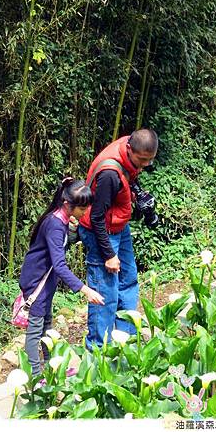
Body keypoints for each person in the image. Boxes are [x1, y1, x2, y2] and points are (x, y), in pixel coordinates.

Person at [78, 128, 158, 349]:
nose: (143, 166)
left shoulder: (129, 151)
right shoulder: (110, 174)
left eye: (148, 162)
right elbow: (96, 218)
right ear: (130, 149)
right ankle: (98, 350)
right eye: (141, 161)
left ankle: (126, 340)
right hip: (101, 232)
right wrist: (109, 255)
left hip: (118, 226)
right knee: (105, 291)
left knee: (128, 279)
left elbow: (128, 179)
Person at [19, 177, 105, 376]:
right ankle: (35, 377)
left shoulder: (62, 219)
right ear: (68, 204)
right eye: (82, 209)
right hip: (36, 282)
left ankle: (52, 368)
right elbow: (59, 265)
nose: (85, 213)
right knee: (35, 332)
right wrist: (85, 289)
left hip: (45, 280)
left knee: (46, 325)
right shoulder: (55, 224)